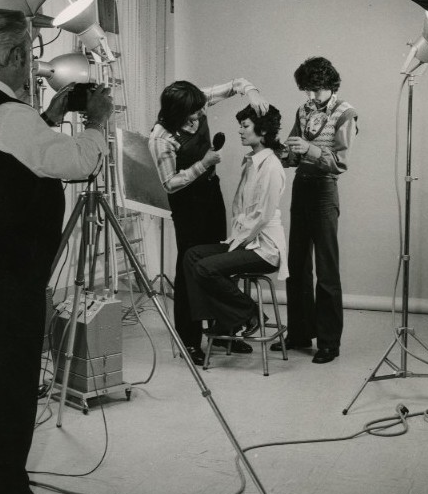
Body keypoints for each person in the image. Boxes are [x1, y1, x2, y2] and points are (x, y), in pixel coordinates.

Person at [0, 8, 114, 494]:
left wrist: (48, 116)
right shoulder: (8, 113)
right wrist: (97, 122)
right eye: (32, 53)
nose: (35, 62)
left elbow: (12, 155)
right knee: (13, 385)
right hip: (9, 266)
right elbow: (74, 163)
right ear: (17, 56)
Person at [149, 79, 269, 364]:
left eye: (199, 111)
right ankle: (189, 340)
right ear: (177, 113)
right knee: (189, 267)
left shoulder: (195, 101)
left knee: (219, 260)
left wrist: (251, 92)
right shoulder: (160, 138)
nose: (198, 117)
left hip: (210, 195)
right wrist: (203, 164)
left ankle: (225, 329)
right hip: (187, 203)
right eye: (191, 115)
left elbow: (236, 84)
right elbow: (169, 183)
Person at [271, 56, 358, 364]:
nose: (309, 96)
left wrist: (310, 150)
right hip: (301, 188)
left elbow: (340, 163)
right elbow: (293, 156)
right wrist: (275, 150)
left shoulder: (345, 113)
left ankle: (329, 342)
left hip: (323, 191)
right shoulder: (303, 109)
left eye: (315, 90)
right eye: (306, 90)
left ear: (329, 85)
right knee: (296, 265)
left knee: (326, 269)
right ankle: (298, 333)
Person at [184, 104, 288, 339]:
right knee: (193, 256)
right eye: (240, 126)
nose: (240, 131)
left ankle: (249, 313)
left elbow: (261, 216)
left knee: (205, 267)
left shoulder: (270, 166)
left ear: (262, 131)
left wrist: (236, 245)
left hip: (264, 249)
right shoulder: (251, 162)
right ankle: (228, 319)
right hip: (246, 242)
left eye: (245, 126)